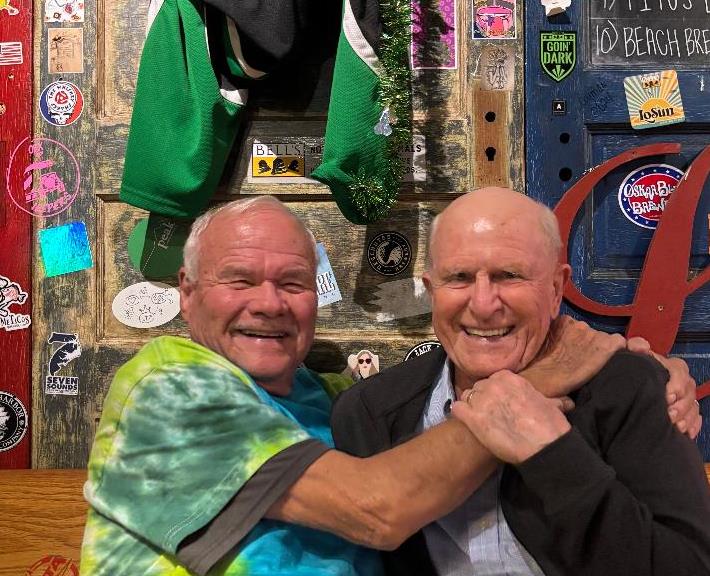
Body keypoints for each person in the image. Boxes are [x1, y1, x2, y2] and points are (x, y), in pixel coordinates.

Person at [80, 196, 700, 576]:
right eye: (239, 281)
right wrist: (532, 387)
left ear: (557, 287)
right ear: (187, 294)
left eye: (293, 284)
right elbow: (374, 508)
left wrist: (643, 369)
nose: (268, 304)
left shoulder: (331, 399)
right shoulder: (166, 390)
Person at [331, 187, 710, 576]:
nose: (483, 305)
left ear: (556, 289)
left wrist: (553, 453)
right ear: (432, 292)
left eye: (509, 276)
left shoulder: (628, 386)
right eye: (459, 278)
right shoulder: (370, 412)